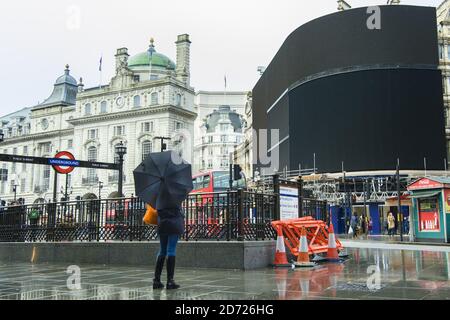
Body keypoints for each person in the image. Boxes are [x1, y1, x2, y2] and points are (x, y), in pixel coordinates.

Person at [153, 204, 184, 290]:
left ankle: (156, 281)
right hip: (174, 224)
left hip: (162, 224)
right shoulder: (176, 193)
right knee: (171, 250)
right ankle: (170, 281)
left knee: (162, 250)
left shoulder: (159, 193)